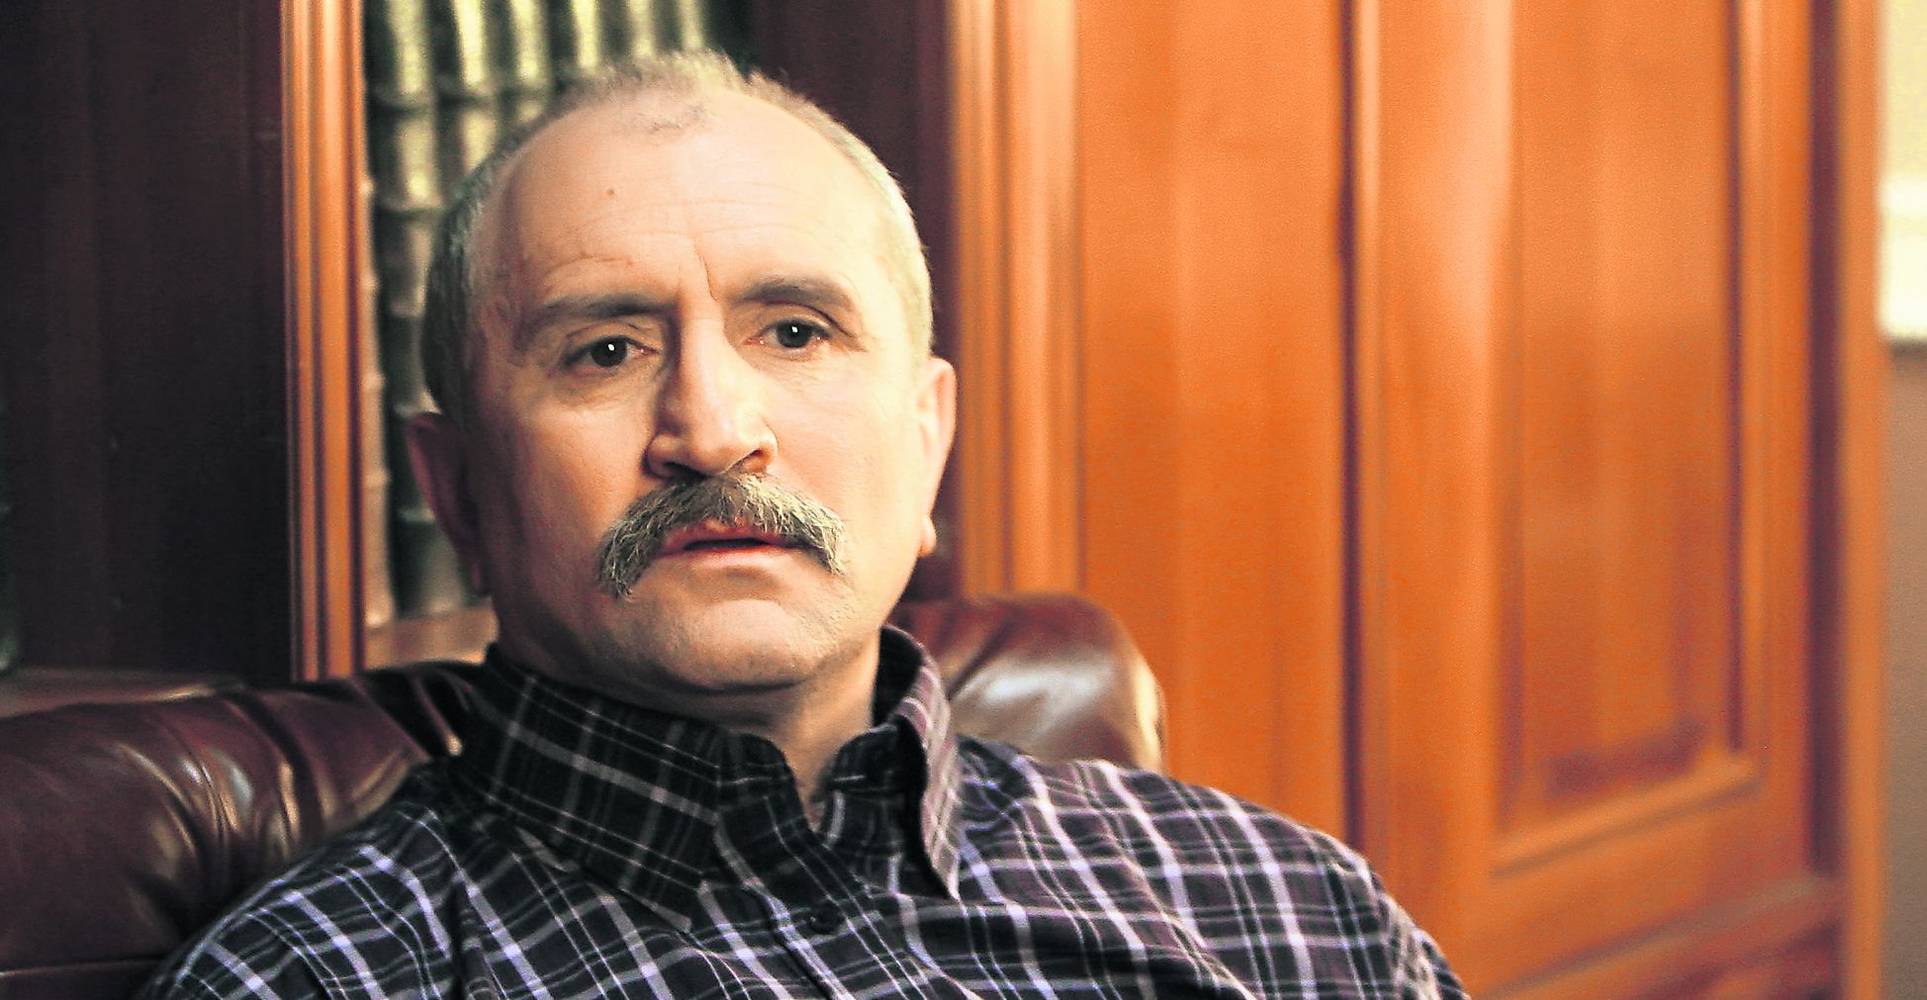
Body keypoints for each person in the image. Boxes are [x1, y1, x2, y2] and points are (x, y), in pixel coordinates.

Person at [142, 52, 1464, 999]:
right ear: (459, 494)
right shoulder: (315, 979)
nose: (713, 430)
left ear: (928, 438)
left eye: (794, 331)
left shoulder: (1293, 912)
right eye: (605, 350)